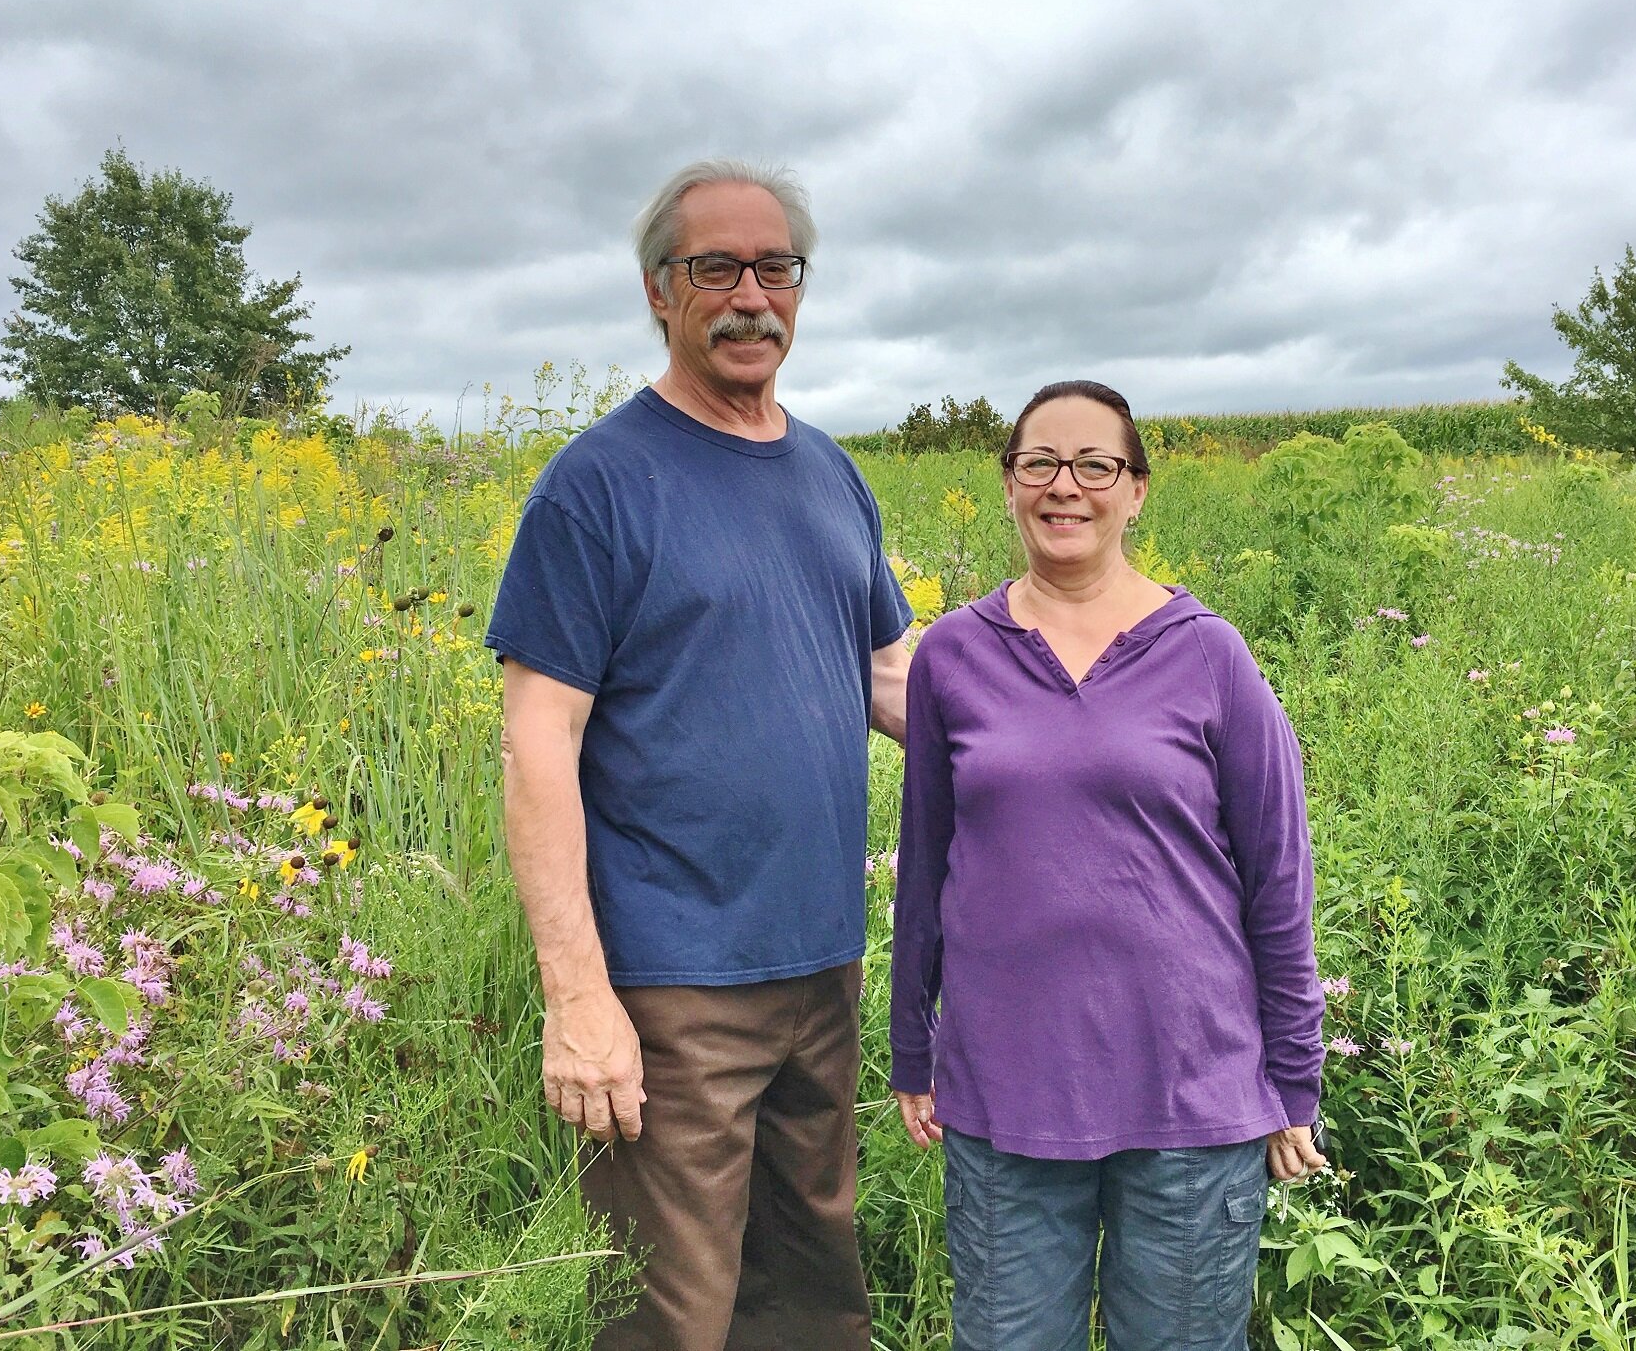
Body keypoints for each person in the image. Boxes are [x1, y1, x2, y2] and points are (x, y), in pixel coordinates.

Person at [484, 159, 913, 1351]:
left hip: (820, 966)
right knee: (669, 1314)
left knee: (815, 1294)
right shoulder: (599, 487)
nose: (749, 296)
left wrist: (1071, 720)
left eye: (775, 268)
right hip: (671, 987)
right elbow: (537, 741)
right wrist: (579, 1000)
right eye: (712, 268)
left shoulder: (828, 471)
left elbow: (888, 677)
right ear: (655, 293)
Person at [888, 380, 1327, 1351]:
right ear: (1007, 483)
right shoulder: (953, 656)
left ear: (1135, 491)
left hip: (1190, 1095)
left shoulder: (1209, 656)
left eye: (1095, 464)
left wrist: (1293, 1075)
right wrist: (910, 1046)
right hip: (1005, 1096)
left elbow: (1276, 879)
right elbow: (922, 866)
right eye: (1039, 461)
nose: (1064, 486)